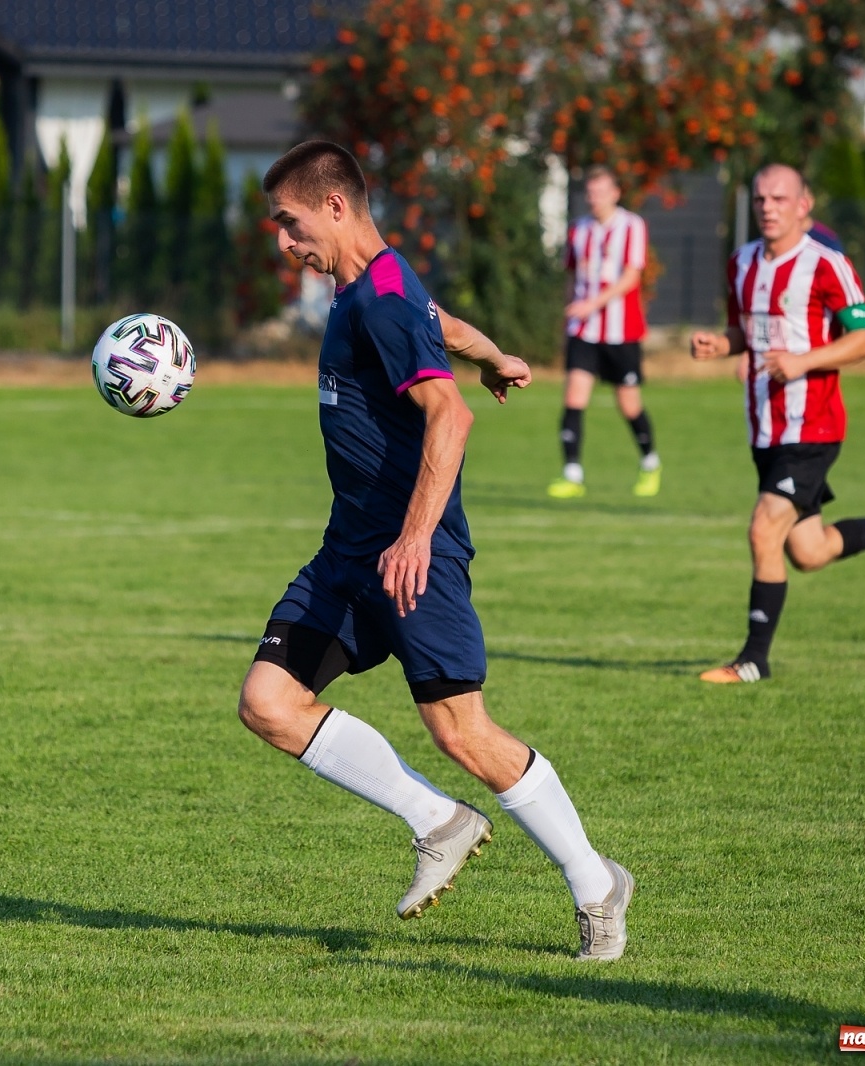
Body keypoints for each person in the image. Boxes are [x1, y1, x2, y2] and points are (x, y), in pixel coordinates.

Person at [239, 141, 635, 961]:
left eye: (290, 221)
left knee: (463, 733)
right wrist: (491, 352)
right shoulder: (376, 282)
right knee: (270, 702)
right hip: (349, 552)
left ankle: (597, 883)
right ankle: (438, 821)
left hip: (413, 553)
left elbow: (449, 419)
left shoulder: (378, 298)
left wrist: (416, 537)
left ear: (336, 207)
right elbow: (436, 321)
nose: (283, 240)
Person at [690, 164, 865, 685]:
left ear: (804, 205)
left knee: (764, 528)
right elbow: (745, 331)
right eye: (761, 198)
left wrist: (804, 362)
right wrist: (722, 345)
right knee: (809, 552)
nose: (768, 206)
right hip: (765, 429)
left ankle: (753, 660)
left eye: (780, 198)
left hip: (814, 426)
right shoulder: (741, 263)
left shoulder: (826, 264)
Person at [549, 166, 659, 499]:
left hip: (621, 332)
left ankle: (650, 463)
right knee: (573, 398)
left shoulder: (631, 226)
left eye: (601, 192)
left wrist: (592, 303)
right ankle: (572, 474)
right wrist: (568, 315)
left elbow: (631, 277)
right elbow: (572, 278)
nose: (594, 199)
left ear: (615, 193)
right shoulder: (578, 230)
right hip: (583, 330)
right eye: (590, 193)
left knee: (629, 405)